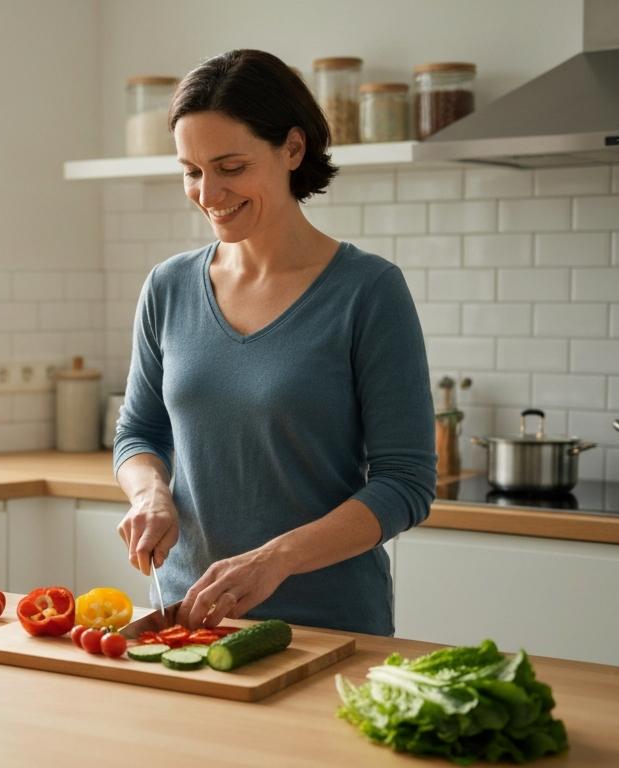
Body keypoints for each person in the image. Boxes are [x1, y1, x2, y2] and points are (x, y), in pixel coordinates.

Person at [113, 49, 436, 636]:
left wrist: (275, 560)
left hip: (328, 626)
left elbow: (405, 484)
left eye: (230, 167)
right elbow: (138, 434)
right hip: (190, 616)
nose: (208, 193)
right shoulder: (168, 286)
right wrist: (150, 494)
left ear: (292, 149)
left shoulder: (368, 291)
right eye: (191, 170)